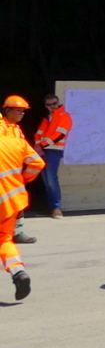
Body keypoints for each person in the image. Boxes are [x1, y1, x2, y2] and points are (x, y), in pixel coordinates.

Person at [0, 117, 44, 300]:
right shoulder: (18, 142)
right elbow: (38, 163)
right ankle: (18, 272)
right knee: (4, 239)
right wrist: (24, 179)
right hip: (10, 200)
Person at [1, 97, 36, 245]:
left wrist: (24, 177)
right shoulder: (2, 127)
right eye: (18, 111)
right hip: (4, 173)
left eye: (23, 111)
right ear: (8, 110)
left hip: (14, 174)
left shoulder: (17, 129)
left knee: (18, 203)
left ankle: (18, 232)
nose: (22, 114)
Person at [34, 93, 71, 219]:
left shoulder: (64, 116)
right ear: (45, 105)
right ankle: (52, 208)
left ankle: (57, 208)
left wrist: (41, 145)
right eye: (49, 104)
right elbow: (38, 134)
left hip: (54, 151)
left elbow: (59, 134)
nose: (52, 106)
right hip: (43, 151)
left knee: (51, 180)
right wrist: (38, 146)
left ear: (58, 102)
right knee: (46, 181)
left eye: (54, 103)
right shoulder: (46, 118)